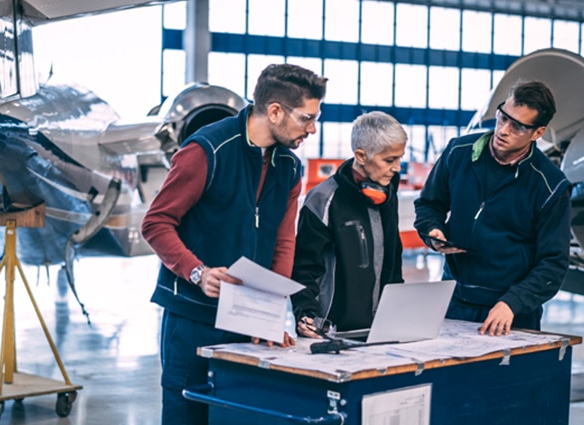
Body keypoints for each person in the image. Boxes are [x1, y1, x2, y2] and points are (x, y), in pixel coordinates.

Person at [141, 63, 328, 424]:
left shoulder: (289, 167)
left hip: (248, 320)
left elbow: (283, 243)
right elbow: (156, 223)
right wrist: (197, 272)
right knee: (188, 415)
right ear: (275, 111)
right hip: (194, 317)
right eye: (306, 118)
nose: (312, 128)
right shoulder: (206, 150)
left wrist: (271, 317)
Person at [414, 80, 571, 337]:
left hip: (511, 314)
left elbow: (553, 263)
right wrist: (432, 232)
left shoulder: (550, 186)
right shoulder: (458, 152)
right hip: (453, 300)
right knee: (451, 377)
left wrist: (513, 303)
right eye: (502, 117)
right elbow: (429, 204)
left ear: (537, 132)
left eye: (518, 126)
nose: (503, 130)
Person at [291, 111, 407, 337]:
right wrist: (305, 313)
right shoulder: (323, 199)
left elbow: (393, 258)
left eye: (400, 158)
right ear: (361, 156)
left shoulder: (388, 193)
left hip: (384, 328)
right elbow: (304, 267)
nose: (397, 168)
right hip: (333, 332)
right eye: (389, 160)